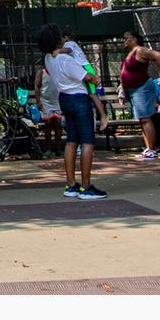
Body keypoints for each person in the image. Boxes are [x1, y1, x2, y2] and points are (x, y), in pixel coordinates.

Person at [38, 23, 107, 199]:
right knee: (87, 142)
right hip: (78, 98)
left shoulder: (48, 59)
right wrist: (94, 78)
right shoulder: (65, 60)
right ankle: (86, 187)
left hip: (64, 99)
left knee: (71, 141)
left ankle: (71, 184)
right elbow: (86, 76)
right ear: (56, 40)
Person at [118, 31, 160, 159]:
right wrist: (122, 91)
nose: (124, 41)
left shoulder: (140, 50)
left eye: (126, 39)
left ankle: (152, 149)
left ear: (134, 39)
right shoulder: (128, 54)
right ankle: (148, 148)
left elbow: (158, 56)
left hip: (142, 87)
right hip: (132, 90)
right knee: (142, 119)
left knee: (145, 118)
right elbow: (123, 75)